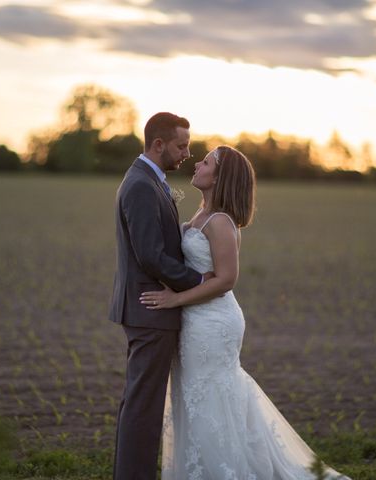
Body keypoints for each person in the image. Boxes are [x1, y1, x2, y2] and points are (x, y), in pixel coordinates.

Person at [140, 146, 352, 479]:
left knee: (209, 399)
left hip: (213, 322)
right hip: (197, 320)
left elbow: (226, 280)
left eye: (206, 161)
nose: (198, 162)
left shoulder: (221, 221)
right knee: (199, 397)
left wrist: (175, 301)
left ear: (220, 177)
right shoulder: (199, 215)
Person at [109, 112, 213, 480]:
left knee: (141, 404)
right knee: (144, 407)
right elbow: (150, 255)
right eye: (182, 145)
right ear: (158, 144)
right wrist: (200, 280)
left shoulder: (150, 181)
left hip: (148, 311)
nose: (188, 152)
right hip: (150, 310)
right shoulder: (141, 185)